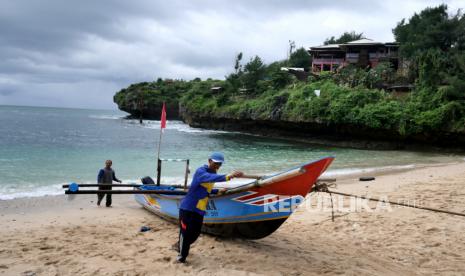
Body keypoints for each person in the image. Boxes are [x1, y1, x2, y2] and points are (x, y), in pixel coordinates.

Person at [176, 152, 243, 263]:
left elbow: (205, 189)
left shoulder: (214, 173)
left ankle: (180, 245)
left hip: (199, 210)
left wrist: (217, 191)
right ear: (209, 161)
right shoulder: (201, 171)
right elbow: (208, 178)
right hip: (188, 208)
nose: (217, 166)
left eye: (220, 164)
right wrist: (228, 176)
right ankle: (181, 256)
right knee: (185, 233)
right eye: (216, 163)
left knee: (195, 234)